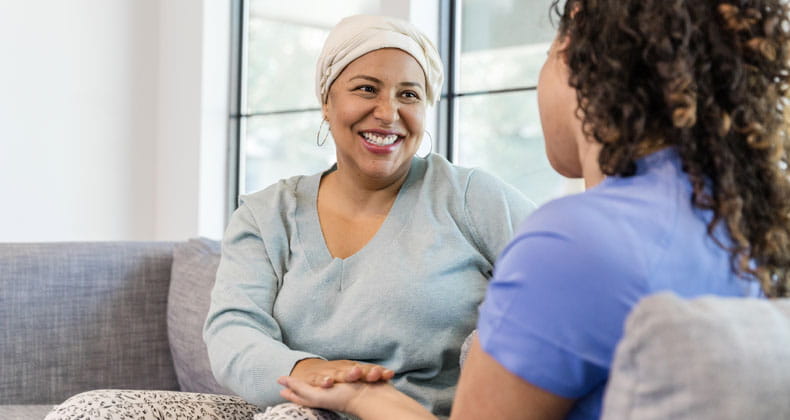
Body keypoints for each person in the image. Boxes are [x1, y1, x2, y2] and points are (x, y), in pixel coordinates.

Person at [276, 1, 790, 419]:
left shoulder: (574, 243)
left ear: (579, 57)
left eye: (546, 54)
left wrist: (367, 397)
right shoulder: (752, 227)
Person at [202, 14, 534, 419]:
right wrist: (310, 372)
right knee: (106, 406)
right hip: (290, 402)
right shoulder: (266, 215)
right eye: (366, 89)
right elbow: (232, 331)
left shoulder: (470, 197)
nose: (388, 112)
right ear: (327, 101)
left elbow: (563, 282)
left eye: (409, 95)